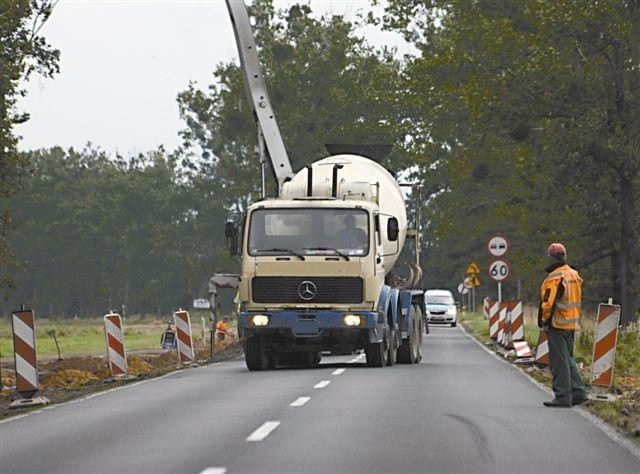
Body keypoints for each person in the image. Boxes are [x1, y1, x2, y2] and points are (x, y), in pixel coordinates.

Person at [538, 242, 587, 407]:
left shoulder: (555, 277)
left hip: (557, 324)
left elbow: (548, 303)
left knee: (559, 361)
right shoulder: (574, 274)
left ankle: (563, 396)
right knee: (568, 359)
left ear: (551, 257)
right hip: (572, 323)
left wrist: (544, 322)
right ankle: (579, 392)